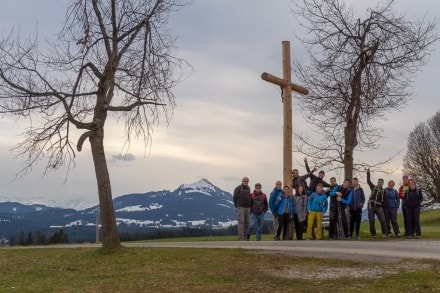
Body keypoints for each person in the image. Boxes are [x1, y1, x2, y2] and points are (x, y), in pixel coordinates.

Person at [366, 168, 387, 239]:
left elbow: (384, 200)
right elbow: (368, 181)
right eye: (379, 182)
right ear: (377, 182)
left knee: (383, 220)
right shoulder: (373, 187)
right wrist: (368, 173)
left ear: (382, 183)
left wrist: (383, 208)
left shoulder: (384, 191)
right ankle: (373, 234)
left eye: (381, 182)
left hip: (379, 207)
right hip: (371, 206)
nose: (380, 183)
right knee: (371, 220)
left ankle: (384, 233)